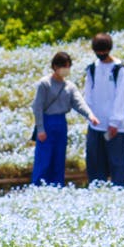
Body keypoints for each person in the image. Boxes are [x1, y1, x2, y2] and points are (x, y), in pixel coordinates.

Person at [31, 51, 99, 186]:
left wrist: (90, 115)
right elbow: (37, 107)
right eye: (64, 66)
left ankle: (57, 186)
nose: (66, 70)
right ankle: (39, 187)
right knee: (44, 159)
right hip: (47, 122)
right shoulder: (44, 84)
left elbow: (78, 103)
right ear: (55, 66)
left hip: (61, 123)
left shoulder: (70, 86)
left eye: (68, 66)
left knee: (58, 159)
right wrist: (40, 129)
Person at [83, 33, 124, 186]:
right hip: (96, 124)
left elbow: (122, 96)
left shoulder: (118, 69)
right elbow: (88, 94)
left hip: (115, 126)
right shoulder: (91, 69)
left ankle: (118, 191)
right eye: (98, 51)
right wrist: (90, 116)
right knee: (95, 163)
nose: (101, 54)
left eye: (104, 51)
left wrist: (115, 122)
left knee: (117, 163)